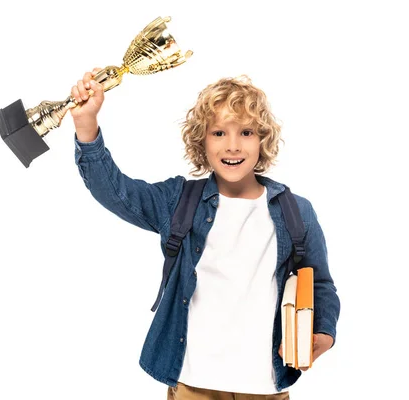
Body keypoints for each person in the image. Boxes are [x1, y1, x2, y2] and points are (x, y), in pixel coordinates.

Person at [70, 69, 340, 400]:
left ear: (262, 139)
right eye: (218, 133)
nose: (233, 146)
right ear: (201, 140)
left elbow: (321, 283)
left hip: (265, 385)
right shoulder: (179, 201)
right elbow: (117, 193)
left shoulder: (295, 211)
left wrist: (324, 333)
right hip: (192, 384)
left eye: (246, 132)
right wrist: (86, 128)